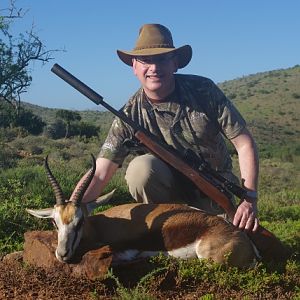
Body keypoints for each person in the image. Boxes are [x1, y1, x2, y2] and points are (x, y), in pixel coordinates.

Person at [72, 23, 259, 232]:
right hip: (167, 201)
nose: (154, 68)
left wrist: (249, 198)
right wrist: (71, 208)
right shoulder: (129, 115)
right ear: (134, 66)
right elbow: (99, 174)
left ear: (175, 63)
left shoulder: (204, 91)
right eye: (146, 60)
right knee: (139, 169)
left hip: (215, 194)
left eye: (161, 58)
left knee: (233, 243)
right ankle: (163, 232)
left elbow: (244, 144)